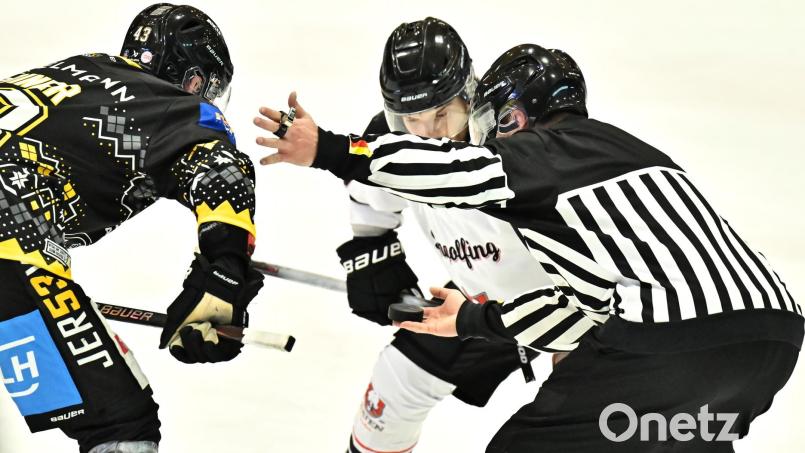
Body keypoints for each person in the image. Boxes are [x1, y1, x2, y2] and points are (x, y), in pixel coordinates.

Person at [254, 44, 803, 451]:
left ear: (515, 115)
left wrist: (326, 148)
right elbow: (581, 314)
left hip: (662, 347)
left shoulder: (548, 151)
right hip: (765, 353)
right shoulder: (615, 176)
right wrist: (469, 321)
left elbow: (455, 174)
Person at [0, 4, 263, 453]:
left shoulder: (72, 73)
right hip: (10, 239)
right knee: (120, 423)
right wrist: (225, 266)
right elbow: (222, 173)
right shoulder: (174, 107)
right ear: (195, 80)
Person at [334, 18, 595, 453]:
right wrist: (373, 253)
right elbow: (367, 190)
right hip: (475, 304)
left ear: (470, 93)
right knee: (394, 387)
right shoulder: (391, 141)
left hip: (568, 301)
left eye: (442, 113)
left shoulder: (513, 139)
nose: (428, 131)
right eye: (410, 117)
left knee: (591, 414)